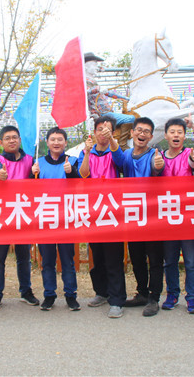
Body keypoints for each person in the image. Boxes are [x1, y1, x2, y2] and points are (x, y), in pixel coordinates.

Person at [78, 115, 127, 318]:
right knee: (96, 255)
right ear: (94, 132)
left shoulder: (116, 151)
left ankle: (117, 300)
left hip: (112, 212)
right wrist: (87, 153)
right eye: (99, 129)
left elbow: (121, 163)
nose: (103, 132)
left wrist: (113, 142)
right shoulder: (86, 152)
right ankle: (101, 292)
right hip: (93, 212)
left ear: (113, 132)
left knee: (113, 257)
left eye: (107, 129)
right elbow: (83, 174)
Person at [0, 125, 39, 309]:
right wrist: (0, 174)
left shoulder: (30, 160)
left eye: (14, 137)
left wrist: (35, 173)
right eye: (7, 138)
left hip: (22, 213)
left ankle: (26, 291)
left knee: (24, 256)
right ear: (1, 142)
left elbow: (36, 183)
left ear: (19, 140)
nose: (11, 140)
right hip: (1, 215)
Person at [31, 127, 81, 311]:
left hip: (66, 218)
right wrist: (31, 174)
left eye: (60, 139)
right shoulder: (38, 163)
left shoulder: (72, 161)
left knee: (68, 260)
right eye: (53, 139)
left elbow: (81, 184)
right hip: (45, 218)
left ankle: (71, 295)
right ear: (47, 142)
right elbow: (29, 190)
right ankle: (49, 295)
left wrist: (71, 172)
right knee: (47, 261)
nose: (56, 142)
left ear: (66, 142)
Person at [120, 117, 165, 317]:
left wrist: (158, 166)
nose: (142, 134)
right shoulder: (126, 155)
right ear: (132, 133)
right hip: (133, 214)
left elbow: (158, 169)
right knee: (137, 257)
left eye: (147, 131)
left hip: (153, 215)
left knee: (154, 259)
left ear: (151, 136)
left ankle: (154, 298)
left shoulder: (155, 155)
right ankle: (142, 293)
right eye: (139, 130)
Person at [160, 117, 194, 314]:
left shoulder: (190, 155)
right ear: (166, 135)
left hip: (188, 217)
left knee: (191, 261)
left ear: (185, 136)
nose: (176, 135)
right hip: (168, 217)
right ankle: (172, 294)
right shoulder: (160, 157)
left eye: (180, 132)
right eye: (172, 132)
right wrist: (156, 166)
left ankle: (192, 297)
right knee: (170, 260)